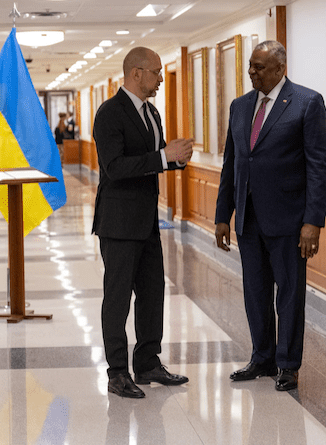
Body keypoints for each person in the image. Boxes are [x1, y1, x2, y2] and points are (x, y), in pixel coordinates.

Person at [214, 40, 326, 392]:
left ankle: (288, 364)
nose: (251, 72)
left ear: (280, 68)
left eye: (259, 67)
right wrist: (223, 215)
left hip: (290, 221)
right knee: (255, 293)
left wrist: (313, 222)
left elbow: (319, 167)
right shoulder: (240, 106)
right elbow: (231, 165)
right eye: (250, 65)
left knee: (290, 294)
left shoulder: (306, 103)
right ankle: (261, 357)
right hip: (249, 220)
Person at [92, 46, 194, 398]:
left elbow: (156, 158)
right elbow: (114, 168)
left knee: (152, 293)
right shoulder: (109, 113)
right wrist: (162, 156)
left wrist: (175, 159)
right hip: (118, 223)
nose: (160, 80)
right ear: (136, 73)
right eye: (155, 73)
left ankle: (148, 362)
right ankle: (117, 372)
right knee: (117, 299)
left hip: (147, 222)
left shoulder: (152, 113)